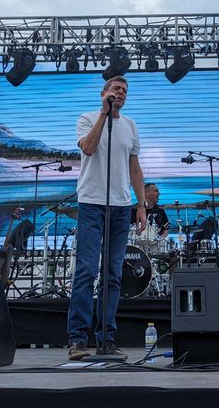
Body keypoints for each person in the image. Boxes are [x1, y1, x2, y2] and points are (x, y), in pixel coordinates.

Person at [67, 76, 146, 360]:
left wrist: (141, 205)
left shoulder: (131, 125)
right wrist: (104, 113)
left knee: (112, 275)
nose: (121, 93)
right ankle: (77, 339)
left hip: (121, 207)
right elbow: (88, 148)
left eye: (124, 91)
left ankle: (106, 340)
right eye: (116, 89)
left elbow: (135, 168)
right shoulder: (87, 118)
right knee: (86, 271)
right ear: (103, 94)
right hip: (91, 203)